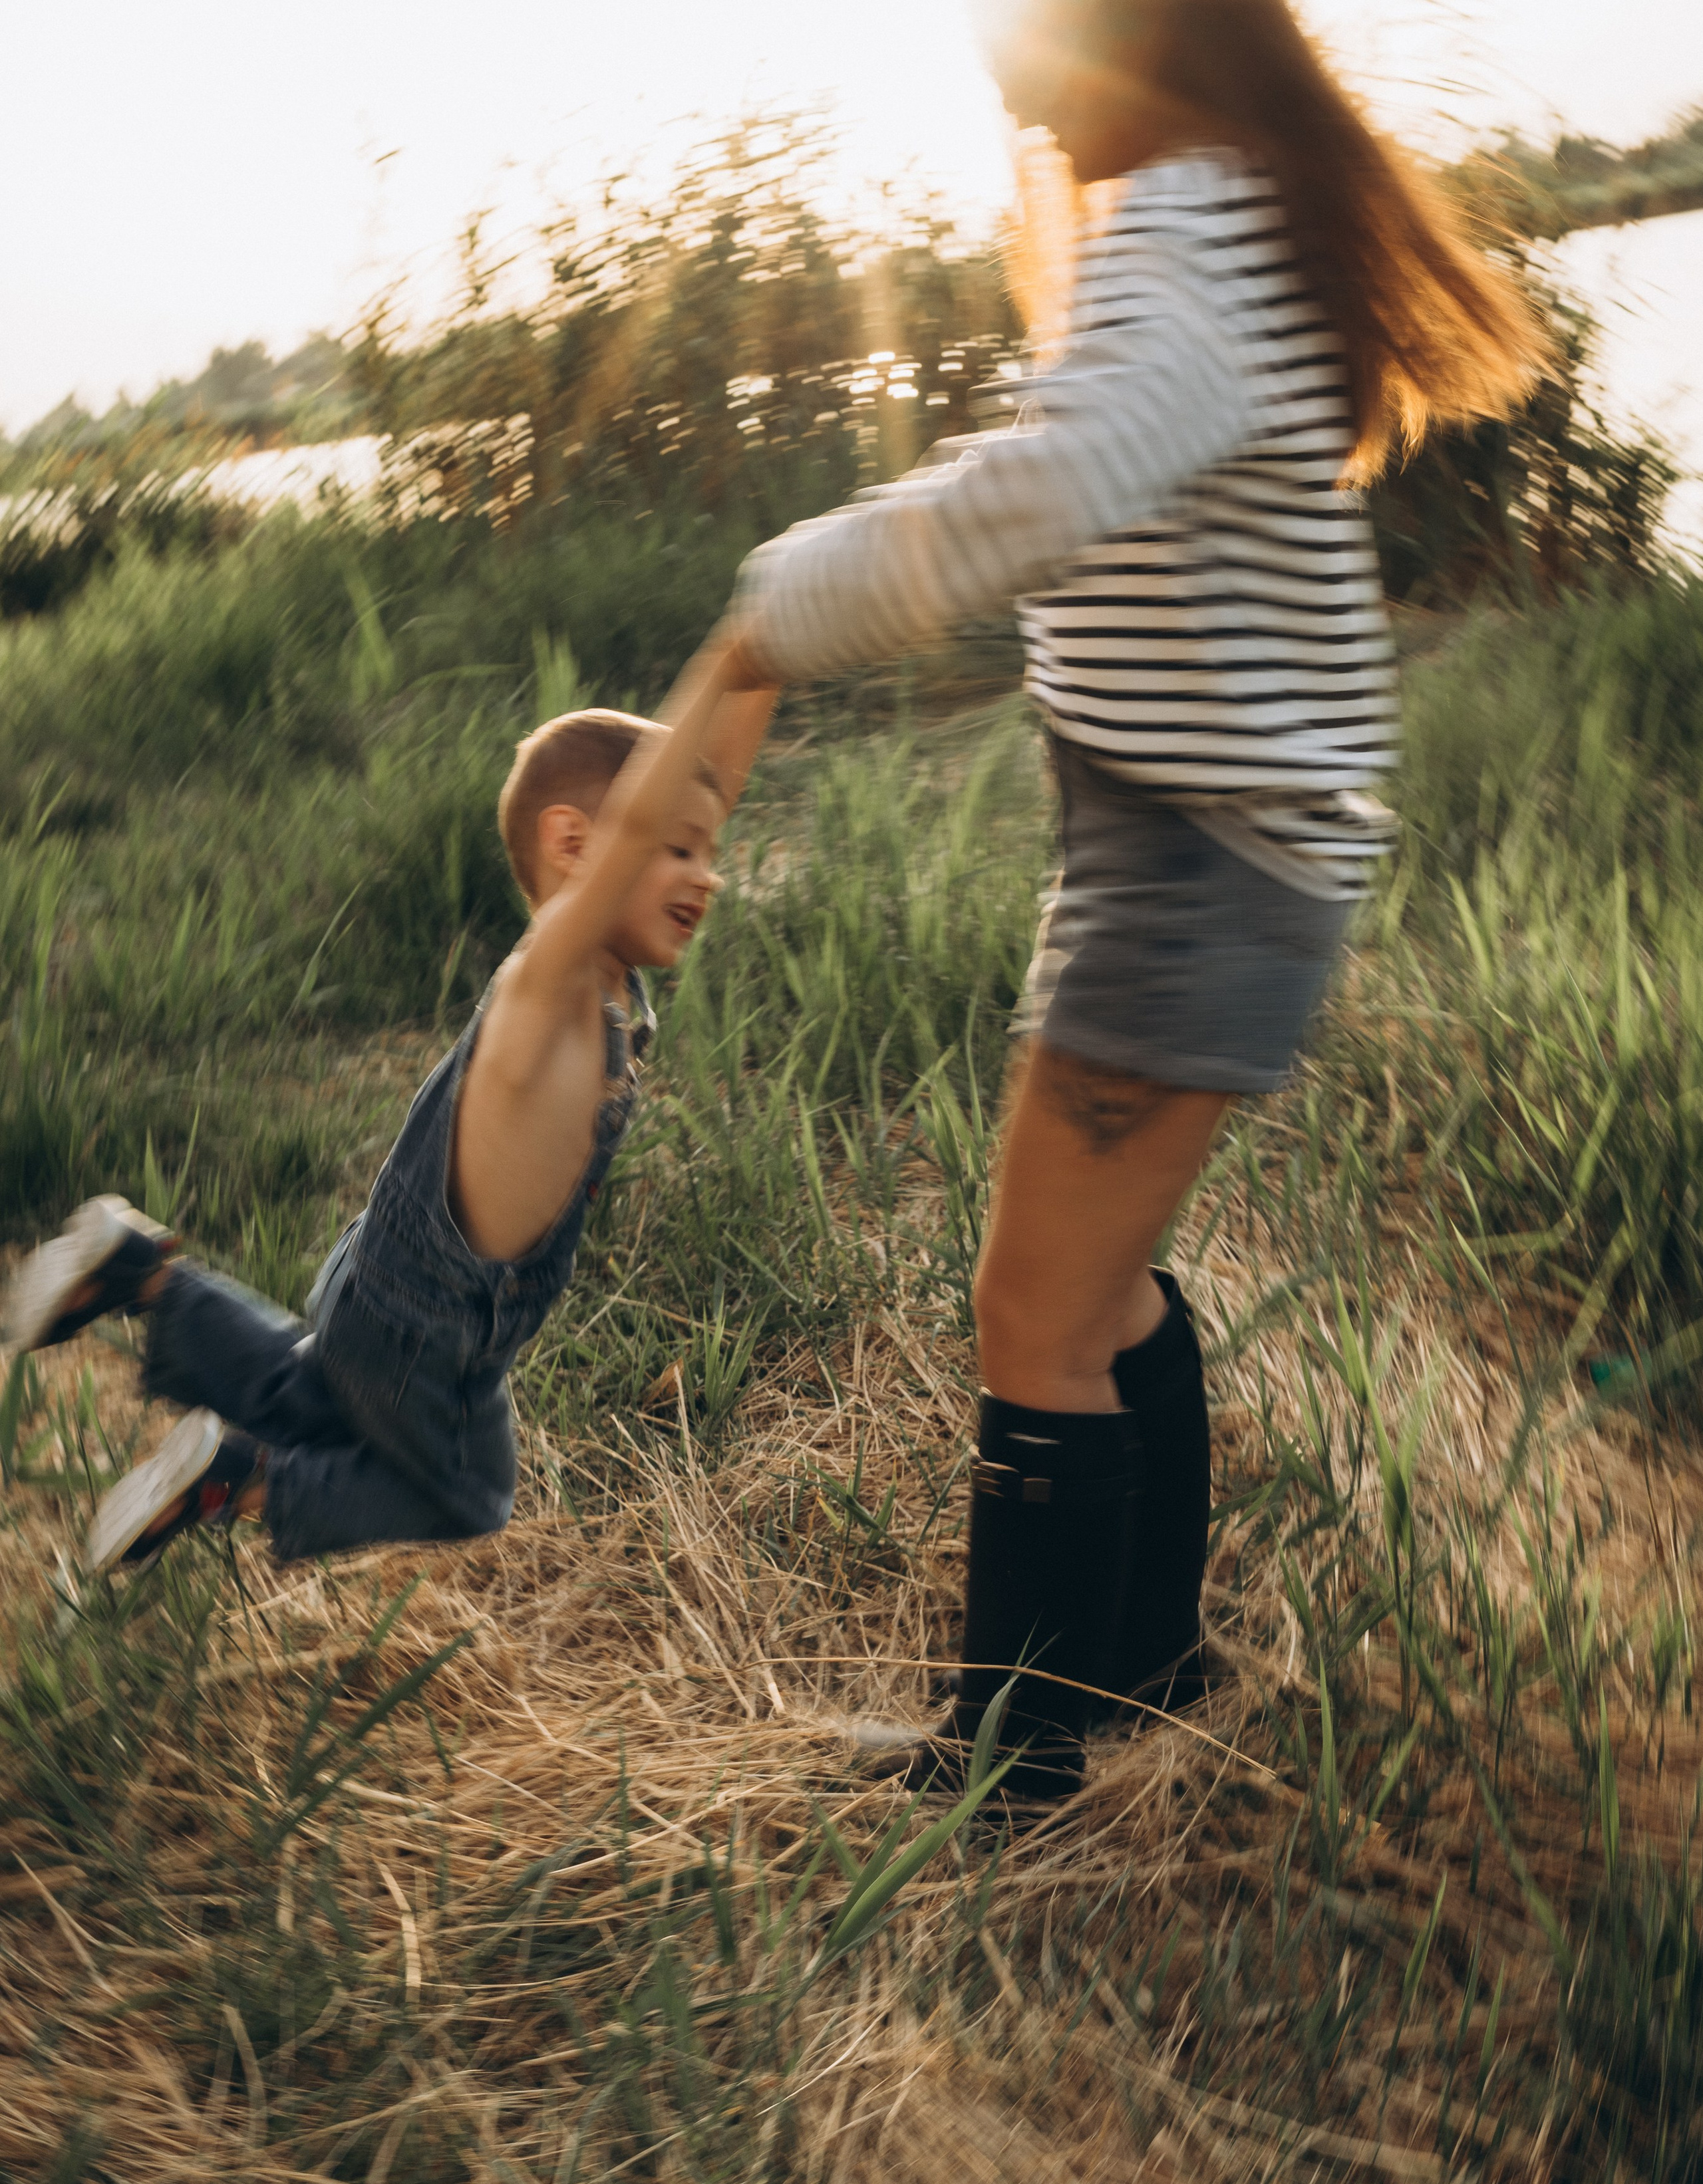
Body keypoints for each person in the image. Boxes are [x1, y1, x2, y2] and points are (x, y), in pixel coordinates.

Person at [721, 0, 1541, 1801]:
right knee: (1091, 1293)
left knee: (1034, 1308)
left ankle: (1013, 1758)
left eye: (1023, 43)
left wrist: (788, 593)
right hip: (1191, 847)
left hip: (1200, 861)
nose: (1003, 83)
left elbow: (1056, 487)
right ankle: (1151, 1667)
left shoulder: (1188, 220)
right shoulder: (1208, 206)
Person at [3, 640, 776, 1572]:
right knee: (469, 1494)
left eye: (712, 852)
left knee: (315, 1398)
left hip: (387, 1286)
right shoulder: (556, 989)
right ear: (576, 849)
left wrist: (775, 651)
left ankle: (141, 1276)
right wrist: (730, 648)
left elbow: (701, 785)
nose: (710, 873)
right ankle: (239, 1480)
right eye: (681, 850)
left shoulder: (599, 984)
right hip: (436, 1332)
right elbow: (657, 806)